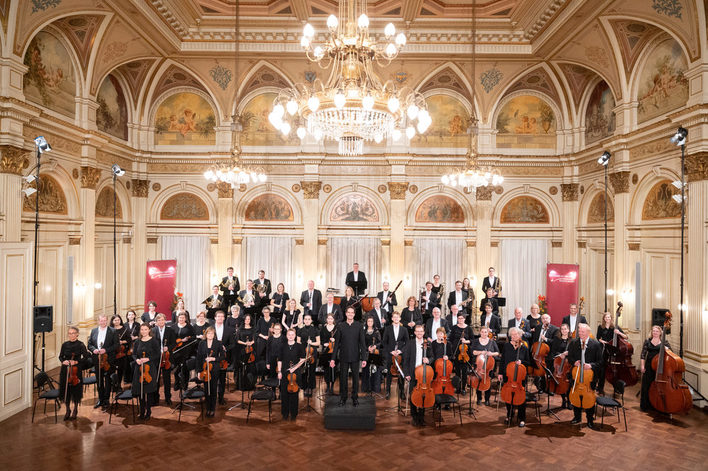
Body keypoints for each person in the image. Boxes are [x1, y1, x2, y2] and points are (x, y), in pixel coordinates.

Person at [567, 323, 602, 429]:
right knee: (575, 397)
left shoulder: (595, 344)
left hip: (589, 377)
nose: (580, 334)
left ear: (588, 333)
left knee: (589, 399)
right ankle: (577, 417)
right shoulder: (573, 343)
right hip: (576, 376)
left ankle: (590, 420)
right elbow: (570, 358)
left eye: (583, 332)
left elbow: (600, 362)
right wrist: (574, 363)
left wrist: (591, 365)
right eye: (579, 331)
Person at [331, 307, 367, 406]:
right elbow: (337, 343)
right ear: (346, 314)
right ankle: (343, 398)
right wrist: (333, 359)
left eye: (352, 313)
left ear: (354, 314)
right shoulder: (340, 326)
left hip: (355, 356)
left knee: (356, 379)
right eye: (349, 312)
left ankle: (355, 398)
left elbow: (362, 343)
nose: (350, 314)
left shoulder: (359, 326)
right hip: (343, 356)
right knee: (343, 378)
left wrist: (364, 358)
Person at [498, 326, 530, 427]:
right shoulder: (507, 346)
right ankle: (509, 414)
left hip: (520, 377)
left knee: (521, 398)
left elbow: (529, 362)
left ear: (519, 335)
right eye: (512, 335)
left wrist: (522, 362)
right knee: (508, 397)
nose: (513, 336)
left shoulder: (524, 347)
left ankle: (522, 418)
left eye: (515, 334)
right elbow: (502, 360)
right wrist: (500, 373)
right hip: (508, 376)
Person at [403, 324, 433, 427]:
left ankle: (421, 416)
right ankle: (414, 416)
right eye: (417, 331)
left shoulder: (427, 343)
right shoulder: (410, 343)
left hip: (424, 374)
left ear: (424, 332)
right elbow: (405, 360)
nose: (419, 333)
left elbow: (432, 356)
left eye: (421, 331)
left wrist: (428, 360)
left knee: (423, 395)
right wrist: (406, 374)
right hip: (412, 373)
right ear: (415, 332)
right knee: (413, 395)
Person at [59, 326, 90, 420]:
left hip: (76, 370)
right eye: (69, 333)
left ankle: (75, 409)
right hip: (66, 369)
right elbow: (60, 356)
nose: (71, 335)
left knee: (76, 389)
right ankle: (67, 409)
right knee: (66, 389)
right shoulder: (65, 345)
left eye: (73, 333)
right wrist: (63, 361)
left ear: (77, 334)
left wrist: (76, 362)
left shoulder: (81, 345)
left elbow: (86, 357)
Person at [88, 314, 117, 409]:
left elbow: (116, 345)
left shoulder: (113, 331)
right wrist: (94, 350)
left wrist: (106, 350)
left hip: (109, 359)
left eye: (105, 320)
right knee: (99, 379)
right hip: (97, 359)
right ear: (98, 321)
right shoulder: (94, 331)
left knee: (108, 379)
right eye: (101, 320)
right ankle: (100, 399)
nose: (103, 322)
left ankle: (106, 399)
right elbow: (89, 344)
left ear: (107, 321)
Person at [640, 325, 672, 412]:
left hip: (659, 367)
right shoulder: (647, 341)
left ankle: (658, 405)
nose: (655, 333)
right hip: (649, 365)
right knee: (647, 385)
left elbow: (671, 354)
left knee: (658, 386)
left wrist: (667, 349)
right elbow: (643, 354)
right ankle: (646, 405)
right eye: (653, 331)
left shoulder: (664, 342)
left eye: (657, 331)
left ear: (660, 332)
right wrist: (642, 366)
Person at [132, 323, 160, 420]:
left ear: (149, 330)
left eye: (145, 329)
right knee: (141, 391)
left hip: (150, 368)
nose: (143, 331)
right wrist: (137, 360)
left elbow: (158, 354)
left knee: (149, 391)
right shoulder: (137, 341)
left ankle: (148, 411)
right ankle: (142, 411)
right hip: (139, 368)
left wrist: (148, 359)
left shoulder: (154, 341)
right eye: (142, 329)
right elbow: (134, 354)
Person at [278, 328, 306, 421]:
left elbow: (302, 360)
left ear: (295, 336)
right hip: (285, 372)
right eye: (289, 335)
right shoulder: (282, 346)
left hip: (296, 373)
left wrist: (294, 368)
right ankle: (285, 413)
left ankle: (294, 414)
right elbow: (280, 360)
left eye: (292, 335)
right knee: (284, 393)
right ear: (286, 336)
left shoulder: (299, 346)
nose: (290, 336)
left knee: (294, 393)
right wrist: (279, 372)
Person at [596, 311, 628, 394]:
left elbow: (626, 337)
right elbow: (598, 338)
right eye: (606, 317)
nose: (607, 319)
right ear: (604, 319)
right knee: (602, 369)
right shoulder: (600, 327)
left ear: (611, 318)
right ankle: (600, 388)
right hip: (604, 349)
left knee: (614, 370)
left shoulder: (615, 327)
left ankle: (616, 388)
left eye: (609, 317)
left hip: (613, 350)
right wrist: (603, 341)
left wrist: (619, 332)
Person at [196, 326, 224, 417]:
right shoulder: (202, 343)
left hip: (214, 368)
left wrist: (213, 358)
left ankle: (212, 409)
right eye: (209, 333)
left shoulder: (218, 343)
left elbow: (223, 357)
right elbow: (199, 358)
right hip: (204, 369)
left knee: (213, 389)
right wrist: (199, 371)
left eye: (212, 333)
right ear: (206, 334)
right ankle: (207, 408)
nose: (210, 335)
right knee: (206, 389)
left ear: (214, 334)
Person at [152, 313, 176, 406]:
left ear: (165, 320)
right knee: (156, 379)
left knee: (167, 380)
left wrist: (168, 348)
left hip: (167, 357)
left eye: (162, 320)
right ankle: (155, 398)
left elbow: (174, 343)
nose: (161, 322)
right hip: (157, 358)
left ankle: (168, 398)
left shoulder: (170, 330)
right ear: (156, 322)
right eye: (159, 320)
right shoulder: (153, 330)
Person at [382, 311, 408, 399]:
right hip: (391, 354)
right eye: (394, 317)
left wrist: (401, 351)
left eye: (397, 317)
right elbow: (384, 342)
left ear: (400, 318)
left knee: (401, 373)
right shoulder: (388, 328)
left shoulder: (404, 329)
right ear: (392, 319)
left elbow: (407, 343)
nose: (396, 318)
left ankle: (402, 392)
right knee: (389, 373)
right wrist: (391, 351)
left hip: (401, 355)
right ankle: (388, 391)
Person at [471, 326, 499, 405]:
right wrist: (481, 352)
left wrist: (491, 353)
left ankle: (487, 399)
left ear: (488, 333)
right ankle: (479, 398)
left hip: (489, 366)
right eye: (482, 332)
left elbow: (497, 353)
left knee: (488, 381)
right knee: (478, 381)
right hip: (478, 365)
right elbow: (473, 352)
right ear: (480, 332)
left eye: (485, 332)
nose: (484, 333)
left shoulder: (492, 342)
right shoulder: (476, 341)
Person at [448, 310, 474, 394]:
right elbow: (450, 339)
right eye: (459, 318)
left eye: (462, 318)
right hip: (456, 352)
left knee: (465, 371)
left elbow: (472, 340)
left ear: (464, 319)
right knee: (458, 371)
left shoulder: (468, 328)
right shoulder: (454, 327)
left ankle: (463, 388)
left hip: (465, 353)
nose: (460, 320)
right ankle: (458, 388)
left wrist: (466, 341)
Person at [213, 310, 235, 404]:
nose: (220, 318)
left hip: (223, 359)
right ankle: (212, 397)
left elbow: (233, 344)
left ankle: (221, 398)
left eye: (222, 316)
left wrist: (225, 348)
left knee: (222, 380)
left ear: (224, 318)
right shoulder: (210, 328)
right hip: (212, 357)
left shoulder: (229, 329)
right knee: (213, 379)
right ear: (215, 317)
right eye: (219, 316)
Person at [297, 313, 320, 396]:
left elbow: (318, 342)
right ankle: (304, 387)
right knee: (304, 371)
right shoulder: (300, 330)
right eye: (305, 319)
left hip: (312, 352)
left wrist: (311, 343)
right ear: (303, 320)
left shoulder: (315, 330)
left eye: (308, 319)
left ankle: (311, 387)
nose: (307, 321)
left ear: (311, 321)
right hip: (303, 351)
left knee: (311, 371)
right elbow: (298, 342)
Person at [550, 323, 571, 409]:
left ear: (568, 330)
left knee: (569, 382)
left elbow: (574, 351)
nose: (564, 331)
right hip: (559, 363)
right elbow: (553, 351)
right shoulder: (557, 339)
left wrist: (568, 353)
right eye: (562, 329)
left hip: (568, 364)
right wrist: (560, 354)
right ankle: (563, 400)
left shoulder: (572, 340)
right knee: (560, 382)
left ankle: (569, 401)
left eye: (565, 329)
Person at [361, 315, 382, 394]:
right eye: (368, 321)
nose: (370, 323)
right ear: (366, 322)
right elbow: (361, 342)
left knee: (375, 371)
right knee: (366, 370)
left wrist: (375, 346)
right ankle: (366, 388)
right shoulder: (363, 331)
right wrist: (367, 348)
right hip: (366, 353)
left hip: (374, 353)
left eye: (371, 321)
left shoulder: (376, 331)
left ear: (373, 323)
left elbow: (380, 342)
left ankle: (375, 388)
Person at [236, 314, 257, 391]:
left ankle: (250, 385)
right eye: (246, 319)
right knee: (242, 368)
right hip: (242, 350)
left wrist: (251, 343)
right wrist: (245, 343)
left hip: (251, 350)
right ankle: (241, 385)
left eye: (248, 319)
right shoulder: (240, 329)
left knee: (251, 367)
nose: (247, 321)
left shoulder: (253, 329)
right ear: (244, 320)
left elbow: (255, 339)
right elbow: (237, 340)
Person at [320, 313, 338, 394]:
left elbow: (340, 340)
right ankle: (327, 386)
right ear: (326, 319)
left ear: (333, 320)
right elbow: (321, 339)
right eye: (328, 318)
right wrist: (324, 343)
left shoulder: (337, 328)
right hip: (326, 351)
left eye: (331, 319)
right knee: (326, 369)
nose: (330, 320)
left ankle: (332, 386)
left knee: (333, 369)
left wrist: (335, 341)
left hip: (334, 352)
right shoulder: (323, 329)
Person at [111, 314, 129, 386]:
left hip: (121, 352)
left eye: (118, 320)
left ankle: (119, 385)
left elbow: (129, 339)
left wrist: (122, 342)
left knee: (120, 369)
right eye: (115, 320)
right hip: (112, 352)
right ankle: (113, 384)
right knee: (112, 369)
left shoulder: (124, 329)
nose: (117, 321)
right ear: (112, 321)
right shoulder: (110, 329)